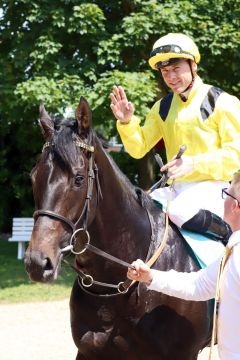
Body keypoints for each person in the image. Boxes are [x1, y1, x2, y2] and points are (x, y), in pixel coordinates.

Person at [109, 33, 240, 244]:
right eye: (165, 72)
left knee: (179, 210)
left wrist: (194, 164)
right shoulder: (163, 107)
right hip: (174, 188)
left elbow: (236, 156)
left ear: (193, 65)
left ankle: (229, 239)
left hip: (215, 187)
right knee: (134, 209)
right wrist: (126, 122)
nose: (171, 77)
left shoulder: (222, 101)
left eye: (176, 69)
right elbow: (139, 148)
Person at [127, 171, 240, 360]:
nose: (223, 200)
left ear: (235, 206)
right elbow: (200, 285)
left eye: (226, 194)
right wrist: (150, 276)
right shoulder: (233, 250)